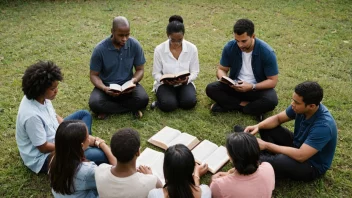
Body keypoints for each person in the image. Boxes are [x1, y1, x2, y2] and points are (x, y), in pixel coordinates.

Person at [16, 61, 108, 174]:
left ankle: (83, 144)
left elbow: (54, 115)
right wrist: (74, 146)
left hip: (57, 135)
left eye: (56, 87)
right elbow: (43, 147)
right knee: (101, 155)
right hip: (44, 157)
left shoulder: (41, 98)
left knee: (84, 115)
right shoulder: (32, 117)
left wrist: (75, 133)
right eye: (52, 88)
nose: (56, 91)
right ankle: (83, 150)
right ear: (40, 90)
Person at [243, 81, 337, 181]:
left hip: (311, 165)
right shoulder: (299, 108)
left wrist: (266, 145)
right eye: (293, 100)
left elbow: (301, 155)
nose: (292, 104)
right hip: (297, 145)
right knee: (266, 128)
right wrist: (258, 126)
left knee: (281, 160)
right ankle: (265, 156)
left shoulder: (324, 126)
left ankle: (254, 157)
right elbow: (278, 119)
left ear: (311, 106)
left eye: (296, 102)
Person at [205, 18, 279, 122]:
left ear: (253, 36)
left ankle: (228, 106)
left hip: (256, 89)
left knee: (271, 100)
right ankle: (251, 108)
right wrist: (224, 78)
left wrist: (251, 86)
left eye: (244, 41)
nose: (240, 45)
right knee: (211, 88)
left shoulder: (267, 52)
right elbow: (221, 69)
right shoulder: (230, 47)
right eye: (237, 40)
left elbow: (273, 81)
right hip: (235, 86)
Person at [89, 16, 149, 119]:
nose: (124, 39)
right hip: (107, 87)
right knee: (94, 103)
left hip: (128, 86)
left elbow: (140, 69)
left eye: (127, 35)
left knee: (143, 99)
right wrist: (104, 88)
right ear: (112, 31)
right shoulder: (100, 49)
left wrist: (133, 81)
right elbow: (94, 75)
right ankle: (131, 108)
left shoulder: (134, 45)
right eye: (121, 35)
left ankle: (108, 110)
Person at [49, 120, 116, 198]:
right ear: (81, 145)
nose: (90, 138)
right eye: (88, 136)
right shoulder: (87, 170)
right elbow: (116, 170)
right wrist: (102, 144)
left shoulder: (54, 158)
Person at [151, 15, 199, 112]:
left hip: (184, 83)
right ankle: (162, 102)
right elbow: (156, 73)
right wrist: (163, 80)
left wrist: (187, 79)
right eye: (172, 40)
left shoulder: (192, 48)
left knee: (189, 103)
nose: (176, 43)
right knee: (169, 105)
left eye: (179, 40)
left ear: (183, 35)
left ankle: (176, 97)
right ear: (167, 35)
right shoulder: (159, 49)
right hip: (165, 84)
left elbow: (195, 71)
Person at [95, 128, 163, 198]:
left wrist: (102, 144)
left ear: (112, 152)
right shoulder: (150, 182)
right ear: (138, 152)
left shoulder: (100, 170)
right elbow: (164, 192)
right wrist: (150, 175)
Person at [210, 132, 275, 198]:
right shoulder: (268, 167)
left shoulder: (219, 185)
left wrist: (215, 183)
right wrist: (229, 174)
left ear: (231, 157)